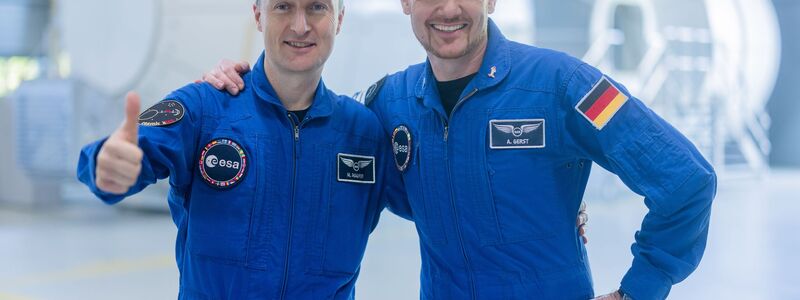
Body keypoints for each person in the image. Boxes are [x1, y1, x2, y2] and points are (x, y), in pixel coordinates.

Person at [76, 0, 410, 298]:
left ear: (339, 20)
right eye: (283, 7)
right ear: (258, 15)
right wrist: (104, 165)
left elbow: (430, 204)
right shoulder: (203, 108)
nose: (300, 25)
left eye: (316, 7)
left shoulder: (364, 134)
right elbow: (130, 150)